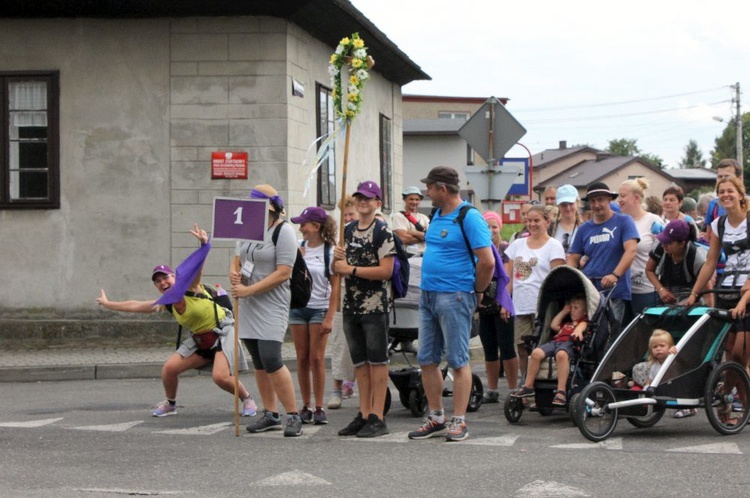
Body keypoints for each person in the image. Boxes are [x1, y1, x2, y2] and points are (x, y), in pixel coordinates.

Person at [96, 224, 256, 418]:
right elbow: (135, 305)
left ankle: (247, 399)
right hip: (201, 340)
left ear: (174, 278)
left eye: (166, 278)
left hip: (224, 331)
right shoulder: (167, 303)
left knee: (220, 377)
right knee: (169, 370)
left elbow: (197, 267)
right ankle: (170, 405)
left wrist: (204, 244)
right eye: (158, 281)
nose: (163, 283)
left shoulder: (191, 287)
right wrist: (108, 303)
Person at [408, 166, 494, 442]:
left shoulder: (469, 217)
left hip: (455, 295)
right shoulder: (436, 215)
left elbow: (488, 261)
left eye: (430, 188)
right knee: (427, 359)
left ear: (442, 189)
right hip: (429, 294)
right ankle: (436, 416)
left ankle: (459, 420)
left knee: (458, 360)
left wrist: (478, 290)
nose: (427, 194)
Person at [230, 184, 303, 437]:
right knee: (259, 360)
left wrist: (249, 290)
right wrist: (234, 271)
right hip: (248, 301)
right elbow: (238, 255)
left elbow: (284, 272)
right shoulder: (247, 228)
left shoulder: (284, 231)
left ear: (270, 208)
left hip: (272, 301)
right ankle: (270, 413)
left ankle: (293, 415)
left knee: (272, 358)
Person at [333, 180, 395, 438]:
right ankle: (364, 412)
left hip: (375, 305)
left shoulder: (382, 231)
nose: (362, 202)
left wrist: (351, 269)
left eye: (368, 198)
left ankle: (378, 416)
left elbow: (386, 270)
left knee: (377, 361)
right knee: (359, 361)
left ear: (377, 203)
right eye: (359, 197)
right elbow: (337, 268)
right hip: (351, 304)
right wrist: (337, 259)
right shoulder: (346, 231)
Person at [687, 176, 750, 374]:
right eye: (721, 192)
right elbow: (710, 261)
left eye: (730, 191)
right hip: (727, 287)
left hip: (747, 289)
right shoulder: (718, 224)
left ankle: (733, 393)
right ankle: (735, 398)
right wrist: (695, 292)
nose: (725, 195)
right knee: (729, 351)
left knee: (741, 352)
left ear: (740, 194)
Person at [568, 182, 639, 344]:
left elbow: (631, 251)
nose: (596, 205)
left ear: (609, 200)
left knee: (609, 336)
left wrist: (615, 274)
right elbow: (573, 257)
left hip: (614, 290)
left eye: (600, 200)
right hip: (590, 290)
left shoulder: (623, 221)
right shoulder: (584, 229)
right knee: (588, 334)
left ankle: (605, 368)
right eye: (592, 201)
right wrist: (572, 277)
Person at [289, 206, 337, 425]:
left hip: (319, 307)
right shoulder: (297, 248)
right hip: (297, 308)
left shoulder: (331, 251)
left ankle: (319, 406)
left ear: (316, 226)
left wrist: (330, 317)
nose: (301, 229)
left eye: (304, 225)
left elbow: (336, 286)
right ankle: (306, 405)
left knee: (317, 358)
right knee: (302, 357)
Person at [505, 205, 566, 377]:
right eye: (529, 220)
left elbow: (557, 278)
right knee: (521, 347)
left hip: (542, 306)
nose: (532, 224)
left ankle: (539, 382)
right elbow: (509, 277)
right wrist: (505, 302)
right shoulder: (517, 244)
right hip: (520, 304)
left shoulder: (554, 246)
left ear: (547, 222)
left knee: (540, 347)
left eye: (536, 220)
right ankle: (524, 381)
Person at [511, 295, 588, 406]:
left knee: (561, 355)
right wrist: (564, 312)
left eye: (576, 308)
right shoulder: (567, 324)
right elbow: (553, 325)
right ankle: (528, 386)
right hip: (556, 342)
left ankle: (561, 391)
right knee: (536, 353)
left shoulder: (582, 322)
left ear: (585, 312)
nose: (572, 311)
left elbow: (582, 327)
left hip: (569, 343)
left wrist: (578, 332)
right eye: (571, 308)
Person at [478, 210, 518, 402]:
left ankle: (512, 388)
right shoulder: (479, 247)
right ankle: (492, 389)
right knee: (489, 348)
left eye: (494, 226)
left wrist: (505, 303)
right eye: (487, 226)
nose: (491, 230)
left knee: (507, 346)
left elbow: (508, 277)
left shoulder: (505, 248)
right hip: (484, 304)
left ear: (500, 228)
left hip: (501, 302)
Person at [618, 178, 664, 318]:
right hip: (623, 290)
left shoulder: (653, 221)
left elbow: (665, 254)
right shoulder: (619, 222)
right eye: (619, 195)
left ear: (636, 198)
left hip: (647, 289)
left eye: (623, 196)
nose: (619, 200)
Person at [328, 196, 358, 409]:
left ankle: (358, 385)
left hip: (365, 293)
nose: (348, 218)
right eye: (345, 215)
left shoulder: (373, 231)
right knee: (339, 341)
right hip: (343, 292)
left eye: (351, 214)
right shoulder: (341, 239)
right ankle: (336, 388)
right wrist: (336, 258)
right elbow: (333, 270)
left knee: (362, 343)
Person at [645, 219, 711, 306]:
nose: (664, 245)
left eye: (669, 243)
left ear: (682, 243)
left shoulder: (696, 256)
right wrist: (661, 290)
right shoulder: (660, 247)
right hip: (665, 300)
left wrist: (709, 314)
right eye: (663, 240)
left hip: (691, 303)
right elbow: (649, 270)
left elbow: (708, 292)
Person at [703, 158, 743, 239]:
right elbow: (709, 237)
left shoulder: (748, 204)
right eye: (720, 177)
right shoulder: (713, 205)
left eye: (727, 176)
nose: (723, 180)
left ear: (739, 179)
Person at [391, 186, 430, 257]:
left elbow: (431, 236)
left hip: (424, 256)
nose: (414, 202)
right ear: (404, 199)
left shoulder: (424, 217)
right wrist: (423, 237)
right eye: (411, 199)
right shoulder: (398, 216)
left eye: (417, 199)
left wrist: (412, 232)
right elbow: (404, 239)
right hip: (408, 257)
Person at [549, 183, 581, 254]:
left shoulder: (585, 228)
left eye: (571, 204)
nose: (568, 208)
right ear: (558, 206)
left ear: (578, 203)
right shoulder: (549, 228)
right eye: (563, 205)